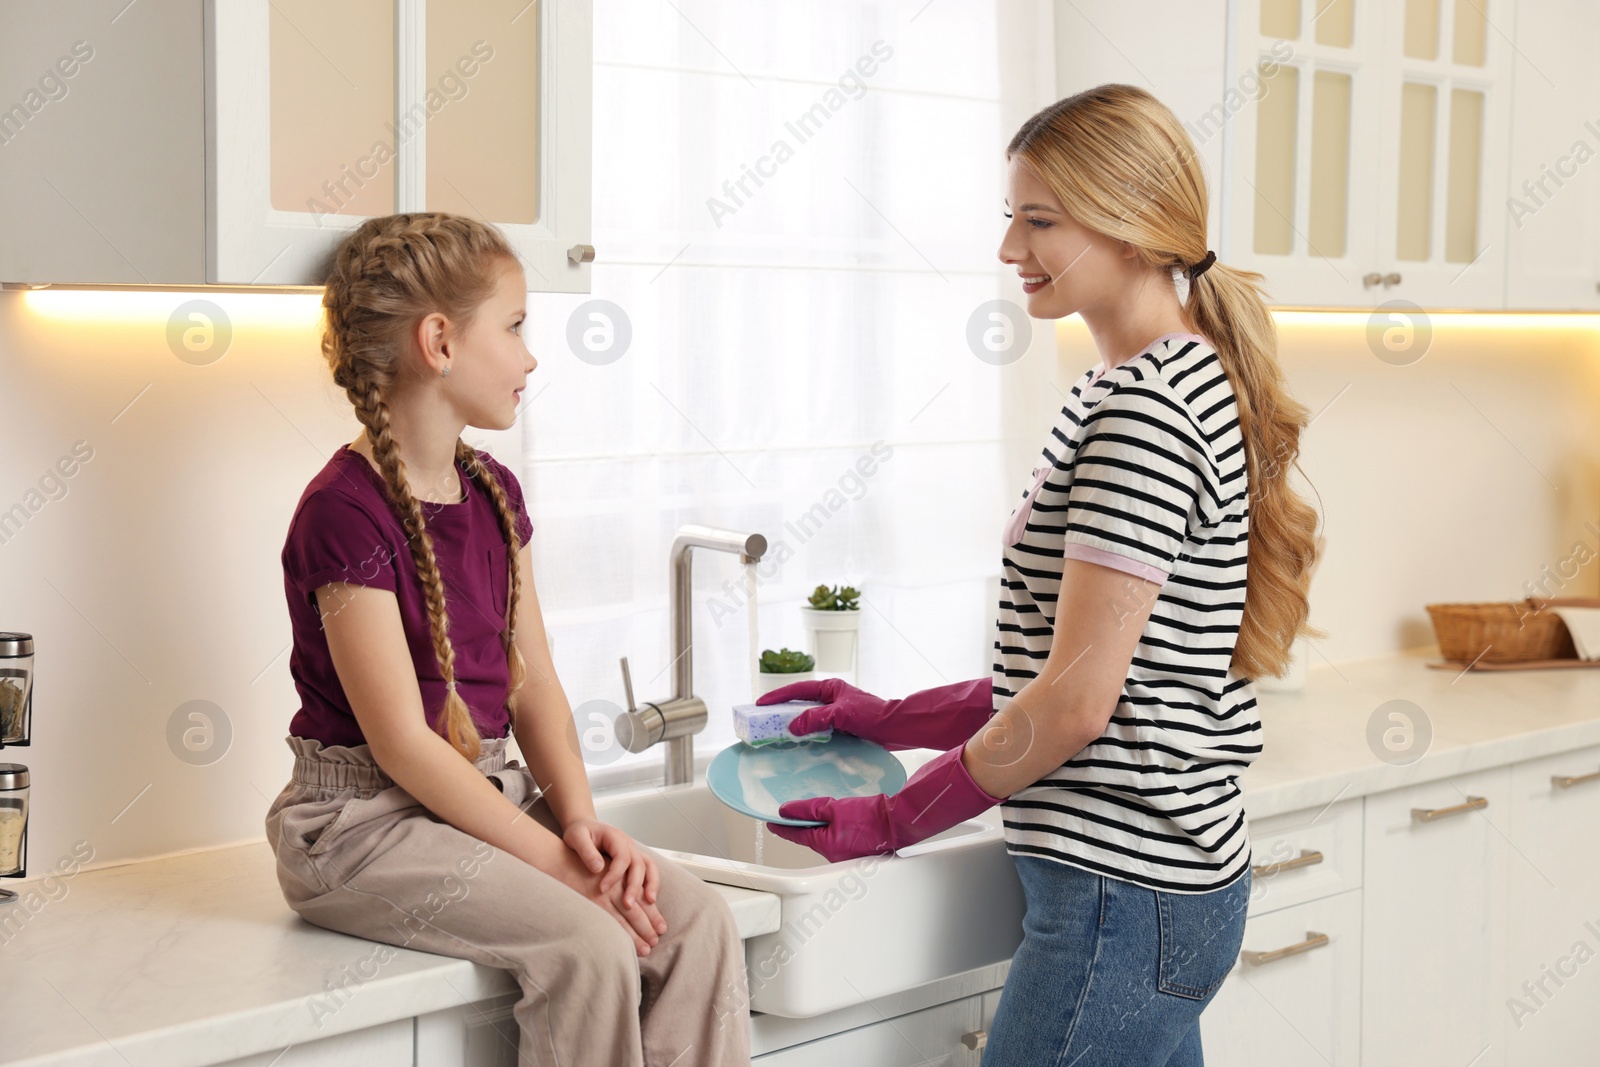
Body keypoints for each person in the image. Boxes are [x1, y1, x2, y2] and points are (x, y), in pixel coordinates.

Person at [760, 84, 1324, 1065]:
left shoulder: (1143, 413)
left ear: (1137, 232)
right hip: (1160, 884)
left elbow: (1074, 705)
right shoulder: (1144, 382)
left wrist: (900, 809)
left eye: (1040, 220)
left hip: (1121, 891)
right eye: (1009, 215)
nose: (1008, 248)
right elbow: (1079, 671)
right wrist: (887, 715)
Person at [263, 213, 751, 1067]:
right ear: (439, 341)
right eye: (517, 325)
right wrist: (562, 871)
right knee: (590, 944)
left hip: (483, 799)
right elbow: (405, 745)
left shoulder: (494, 491)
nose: (531, 356)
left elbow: (534, 687)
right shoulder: (343, 513)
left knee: (698, 919)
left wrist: (583, 828)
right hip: (359, 826)